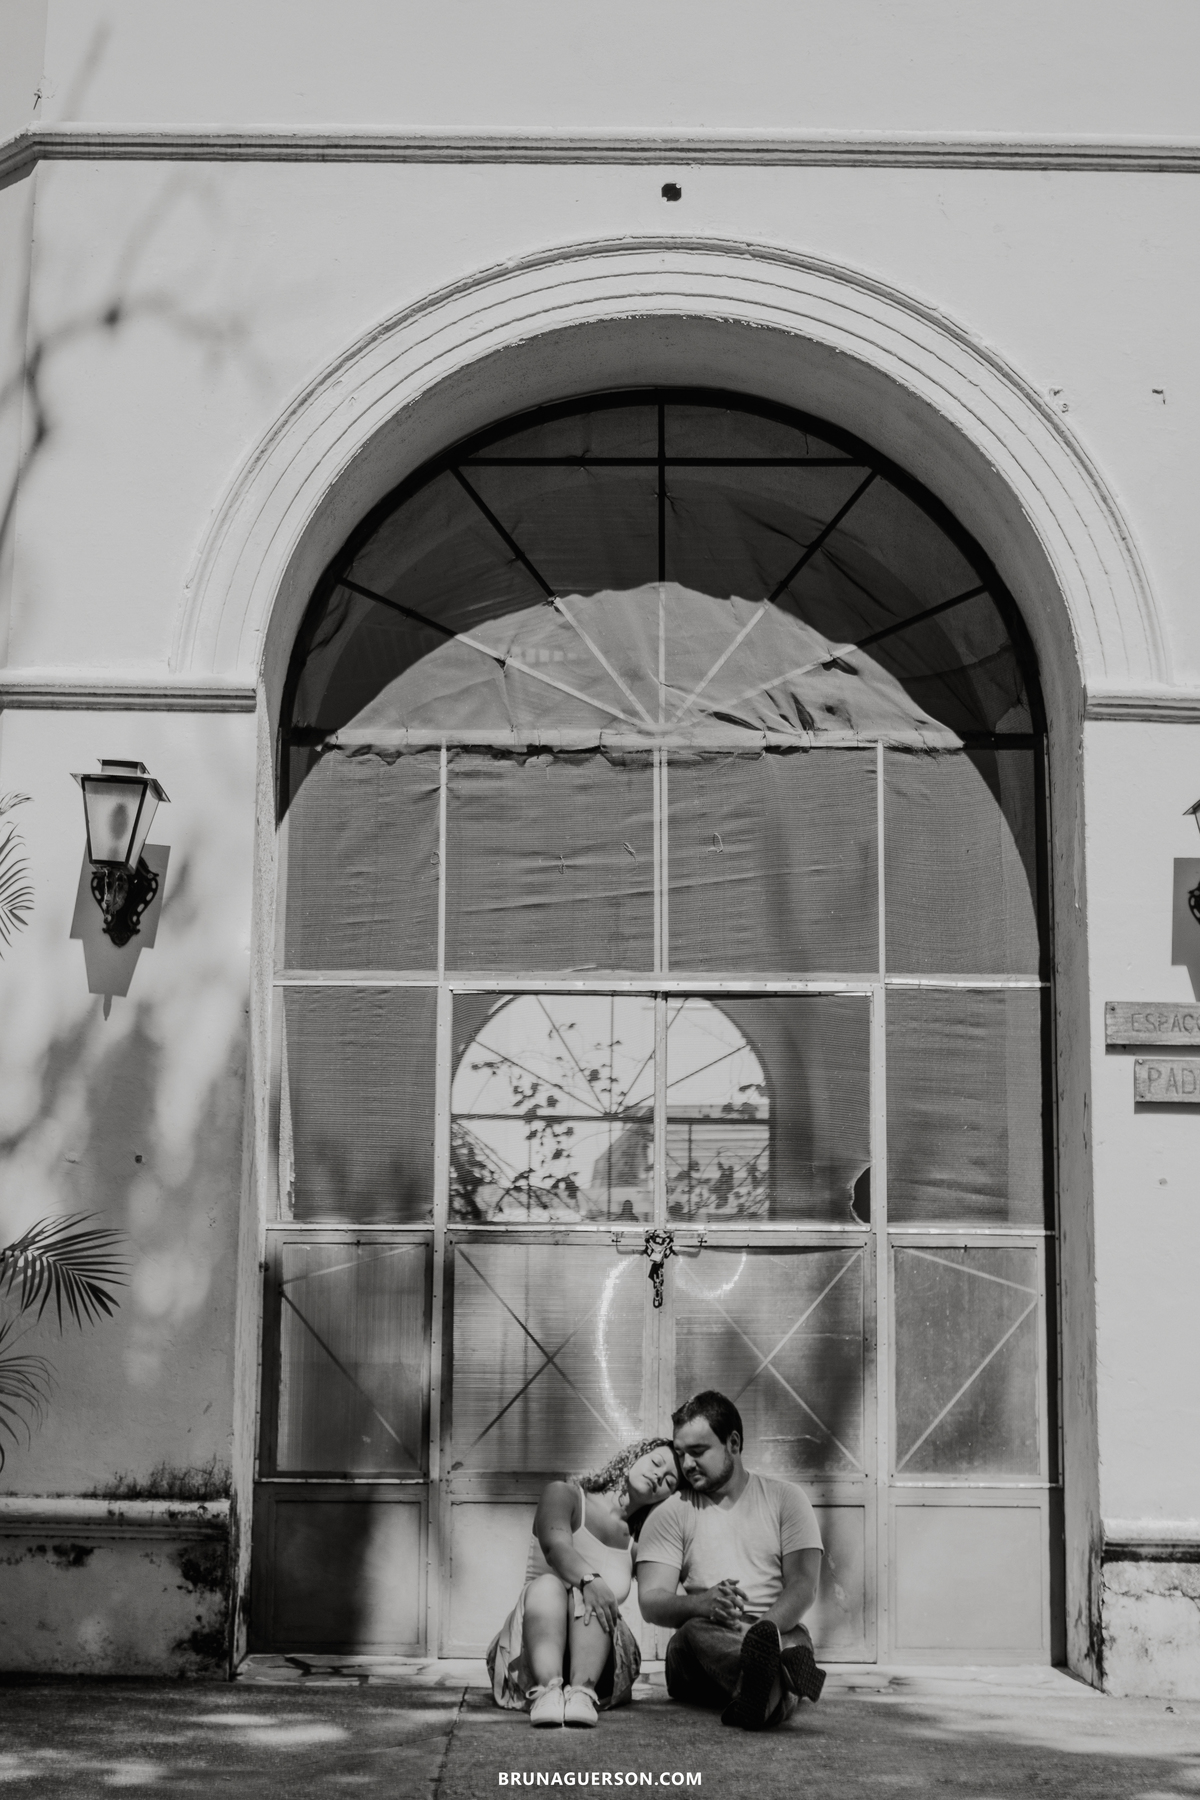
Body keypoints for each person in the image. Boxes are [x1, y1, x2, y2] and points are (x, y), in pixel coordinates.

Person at [635, 1391, 827, 1730]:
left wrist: (762, 1630)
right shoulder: (670, 1514)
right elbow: (651, 1601)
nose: (686, 1465)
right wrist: (700, 1604)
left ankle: (756, 1697)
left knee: (792, 1637)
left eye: (697, 1452)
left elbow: (803, 1585)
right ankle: (783, 1674)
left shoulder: (787, 1500)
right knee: (695, 1633)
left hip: (776, 1630)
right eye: (681, 1454)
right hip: (700, 1645)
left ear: (733, 1443)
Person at [487, 1437, 679, 1728]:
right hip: (533, 1646)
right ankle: (547, 1692)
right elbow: (556, 1548)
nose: (658, 1476)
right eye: (656, 1462)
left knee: (584, 1597)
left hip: (599, 1662)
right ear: (634, 1456)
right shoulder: (565, 1495)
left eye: (670, 1481)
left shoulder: (639, 1542)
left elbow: (659, 1593)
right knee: (552, 1586)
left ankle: (582, 1694)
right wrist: (592, 1581)